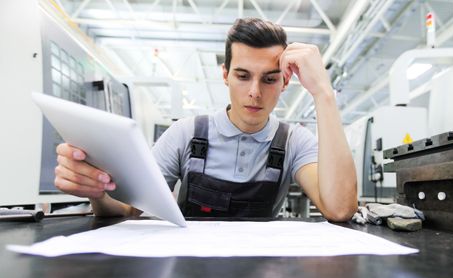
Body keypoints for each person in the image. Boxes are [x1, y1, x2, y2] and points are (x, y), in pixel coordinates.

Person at [54, 18, 358, 221]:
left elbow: (340, 208)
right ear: (225, 74)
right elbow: (127, 210)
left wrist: (324, 94)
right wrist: (96, 192)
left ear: (285, 82)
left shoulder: (295, 141)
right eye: (242, 76)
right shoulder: (184, 134)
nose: (254, 93)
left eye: (269, 79)